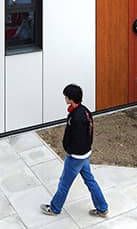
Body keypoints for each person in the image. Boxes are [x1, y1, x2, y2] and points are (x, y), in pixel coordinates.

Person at [40, 84, 109, 218]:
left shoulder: (76, 117)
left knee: (64, 184)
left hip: (76, 157)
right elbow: (89, 133)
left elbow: (78, 139)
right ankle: (102, 208)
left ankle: (54, 208)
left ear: (71, 99)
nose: (65, 98)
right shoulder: (85, 111)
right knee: (90, 181)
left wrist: (69, 150)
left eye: (66, 96)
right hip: (85, 155)